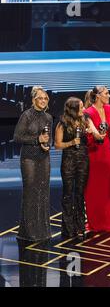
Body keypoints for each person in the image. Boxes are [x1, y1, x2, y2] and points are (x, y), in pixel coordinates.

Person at [13, 86, 53, 241]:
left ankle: (42, 231)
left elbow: (47, 138)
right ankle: (28, 232)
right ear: (33, 100)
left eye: (45, 98)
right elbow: (17, 137)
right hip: (29, 158)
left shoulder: (48, 117)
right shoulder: (27, 116)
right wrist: (37, 140)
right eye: (40, 98)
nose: (43, 101)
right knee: (30, 192)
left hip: (44, 157)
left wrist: (46, 144)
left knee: (43, 192)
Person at [83, 86, 110, 232]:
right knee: (95, 189)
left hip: (107, 152)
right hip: (94, 153)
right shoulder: (88, 112)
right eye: (106, 93)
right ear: (98, 96)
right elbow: (95, 134)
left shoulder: (109, 109)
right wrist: (98, 135)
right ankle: (96, 223)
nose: (109, 96)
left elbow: (107, 132)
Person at [54, 97, 89, 238]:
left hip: (83, 160)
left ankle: (80, 226)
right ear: (73, 109)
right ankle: (68, 228)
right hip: (68, 161)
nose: (84, 109)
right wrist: (71, 142)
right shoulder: (62, 124)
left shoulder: (84, 120)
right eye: (81, 107)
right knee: (68, 194)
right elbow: (57, 145)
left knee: (80, 193)